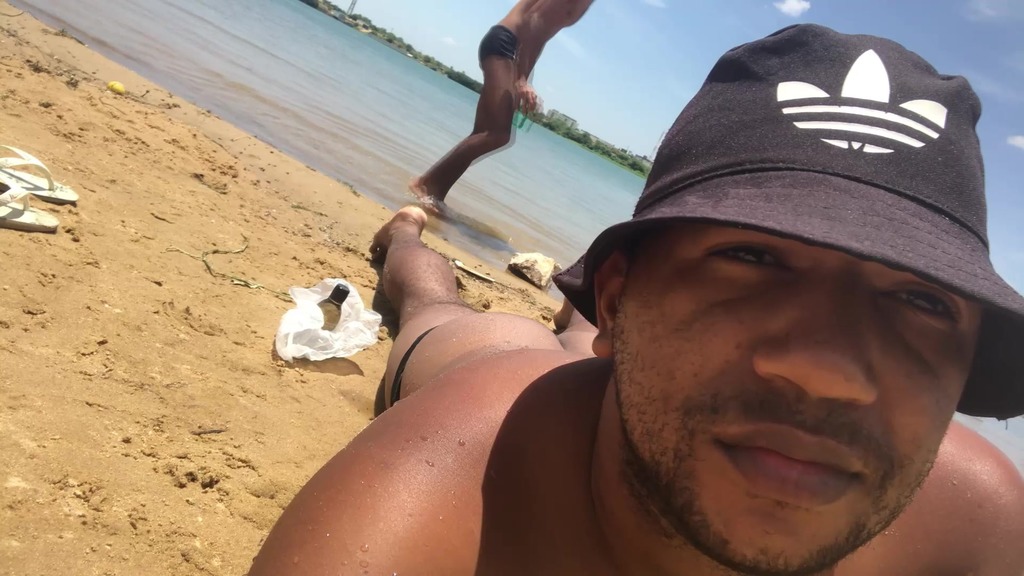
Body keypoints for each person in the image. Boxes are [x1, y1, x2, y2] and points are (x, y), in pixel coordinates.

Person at [249, 24, 1024, 575]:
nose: (830, 372)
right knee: (434, 307)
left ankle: (580, 309)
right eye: (752, 258)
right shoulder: (448, 491)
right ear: (619, 300)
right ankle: (406, 234)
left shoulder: (979, 524)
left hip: (625, 365)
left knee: (604, 353)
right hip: (499, 371)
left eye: (922, 301)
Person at [408, 0, 595, 207]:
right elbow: (533, 21)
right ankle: (425, 185)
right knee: (496, 134)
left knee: (484, 132)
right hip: (505, 43)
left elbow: (540, 37)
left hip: (510, 50)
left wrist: (523, 77)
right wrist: (521, 79)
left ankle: (435, 193)